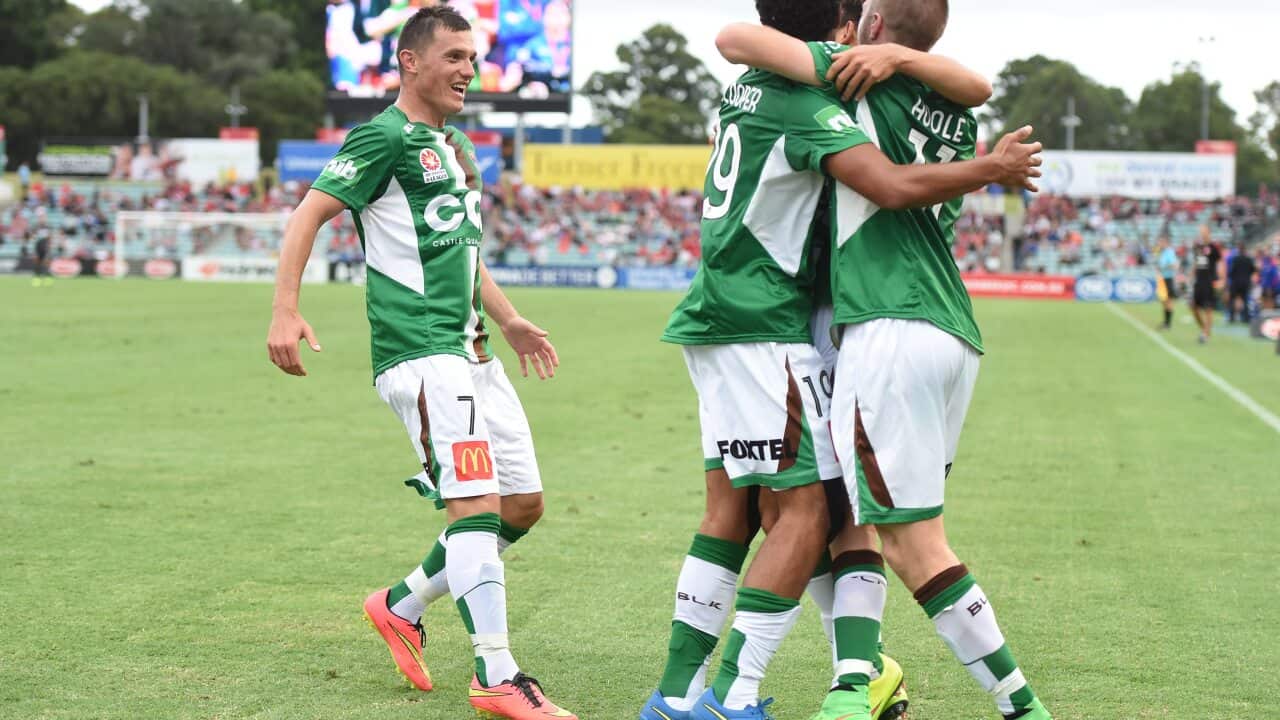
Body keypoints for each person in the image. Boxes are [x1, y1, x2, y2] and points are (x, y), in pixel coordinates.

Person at [640, 1, 1041, 718]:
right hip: (778, 319)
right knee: (818, 509)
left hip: (744, 313)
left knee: (755, 509)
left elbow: (743, 46)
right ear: (846, 27)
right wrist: (990, 167)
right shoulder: (822, 98)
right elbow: (894, 175)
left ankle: (737, 687)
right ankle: (739, 696)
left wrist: (896, 59)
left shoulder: (810, 88)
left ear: (875, 27)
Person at [266, 7, 575, 719]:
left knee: (522, 505)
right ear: (410, 61)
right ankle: (497, 674)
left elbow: (460, 248)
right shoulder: (381, 138)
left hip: (473, 354)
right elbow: (306, 215)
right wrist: (286, 308)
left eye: (474, 57)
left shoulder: (456, 144)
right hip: (421, 352)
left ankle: (399, 605)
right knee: (474, 506)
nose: (470, 69)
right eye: (456, 56)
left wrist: (510, 319)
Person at [1191, 226, 1224, 344]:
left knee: (1208, 308)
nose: (1202, 233)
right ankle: (1204, 329)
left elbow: (1220, 262)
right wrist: (1191, 274)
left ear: (1208, 232)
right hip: (1199, 281)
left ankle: (1205, 333)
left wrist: (1221, 279)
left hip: (1209, 281)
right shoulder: (1198, 247)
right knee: (1193, 307)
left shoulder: (1214, 247)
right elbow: (1198, 262)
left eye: (1204, 231)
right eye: (1201, 231)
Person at [1226, 242, 1256, 324]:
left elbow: (1232, 271)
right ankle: (1245, 318)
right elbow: (1253, 270)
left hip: (1236, 282)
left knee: (1232, 300)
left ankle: (1231, 317)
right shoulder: (1249, 259)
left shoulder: (1235, 259)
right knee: (1245, 300)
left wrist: (1230, 280)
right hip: (1245, 283)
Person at [1155, 236, 1179, 330]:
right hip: (1163, 279)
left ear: (1165, 242)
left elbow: (1175, 265)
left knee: (1168, 301)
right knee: (1164, 300)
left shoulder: (1169, 252)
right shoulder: (1163, 252)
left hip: (1168, 279)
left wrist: (1163, 267)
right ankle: (1165, 322)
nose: (1159, 244)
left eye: (1161, 242)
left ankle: (1168, 323)